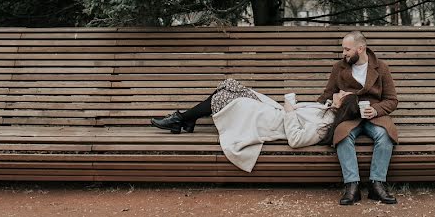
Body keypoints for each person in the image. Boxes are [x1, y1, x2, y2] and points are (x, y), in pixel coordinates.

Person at [149, 79, 357, 172]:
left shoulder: (324, 125)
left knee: (224, 97)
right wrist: (289, 108)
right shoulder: (327, 109)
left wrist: (290, 110)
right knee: (228, 84)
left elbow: (295, 140)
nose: (339, 91)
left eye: (344, 94)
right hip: (270, 112)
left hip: (267, 121)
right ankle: (185, 119)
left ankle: (182, 119)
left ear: (344, 105)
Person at [317, 30, 399, 205]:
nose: (344, 53)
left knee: (385, 136)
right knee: (342, 135)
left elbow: (392, 100)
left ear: (360, 49)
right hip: (349, 116)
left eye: (347, 50)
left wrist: (376, 110)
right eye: (343, 50)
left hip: (374, 116)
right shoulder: (339, 68)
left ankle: (377, 185)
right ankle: (352, 186)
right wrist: (334, 102)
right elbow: (326, 96)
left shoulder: (381, 67)